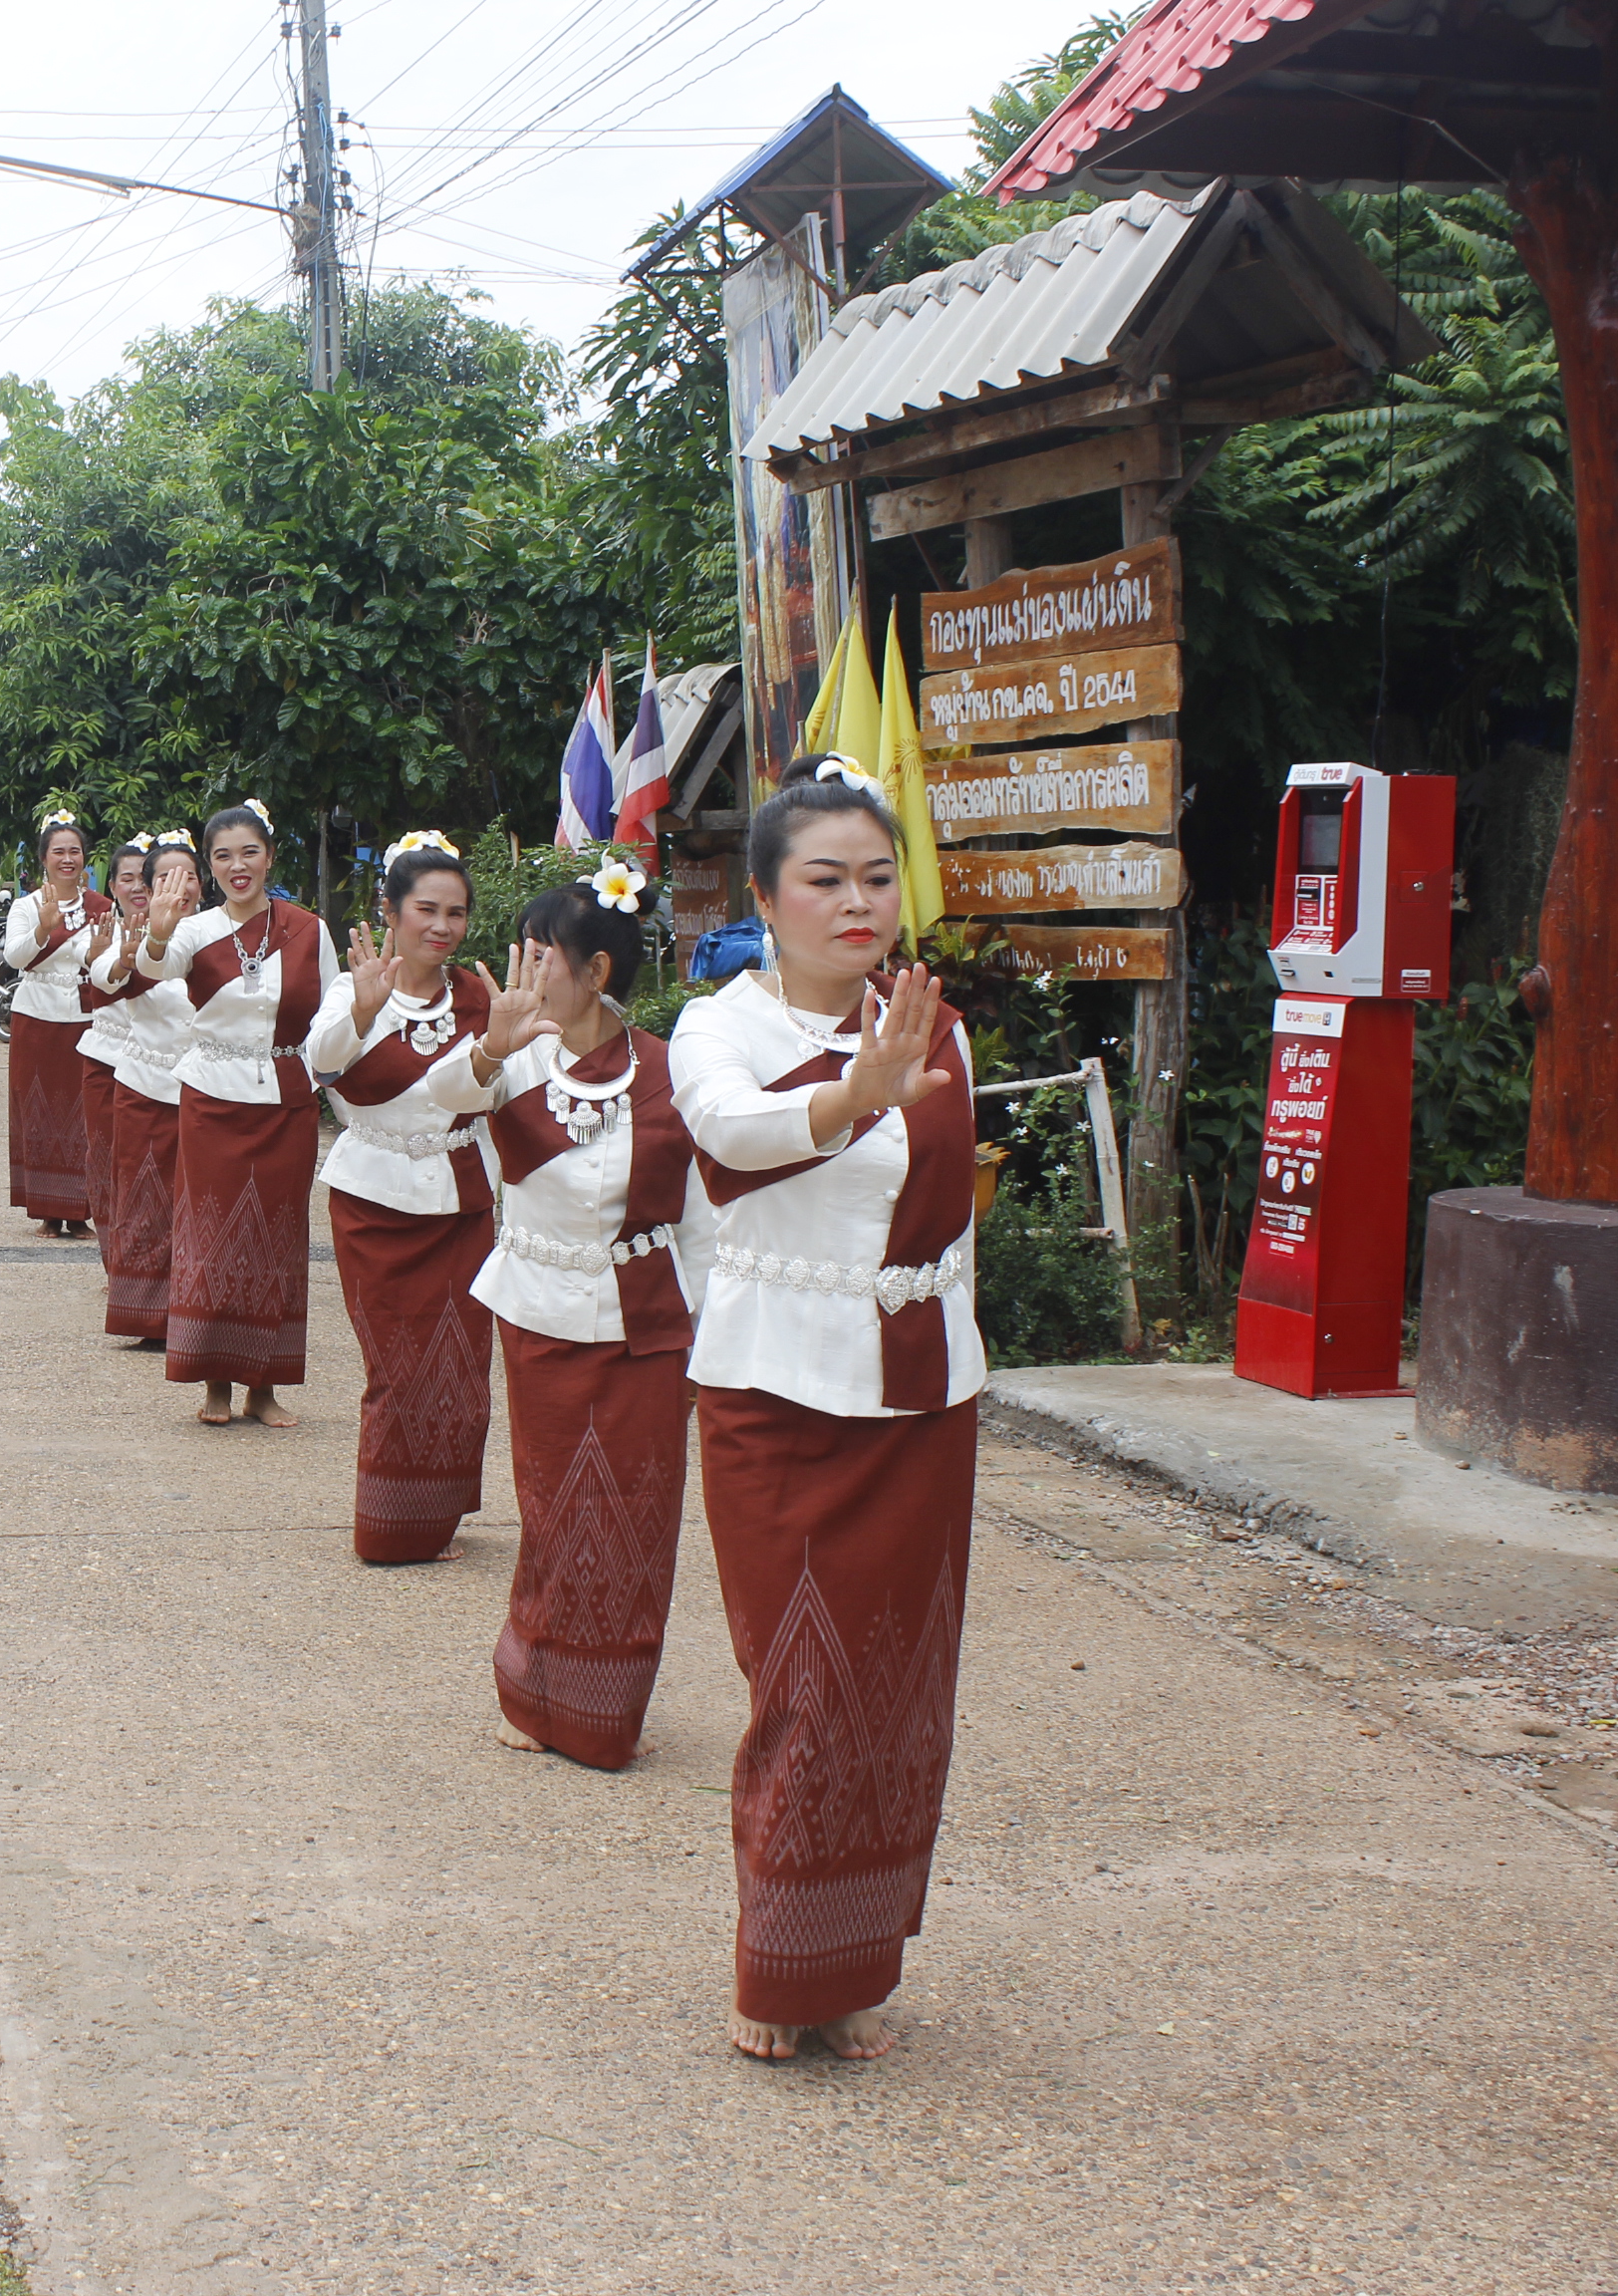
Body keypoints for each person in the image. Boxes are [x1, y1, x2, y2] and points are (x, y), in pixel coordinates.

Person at [669, 754, 985, 2065]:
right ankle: (778, 1962)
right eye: (824, 879)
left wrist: (888, 1075)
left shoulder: (933, 1019)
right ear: (764, 895)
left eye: (877, 876)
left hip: (921, 1396)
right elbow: (732, 1137)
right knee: (798, 1677)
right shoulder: (720, 1027)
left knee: (895, 1693)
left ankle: (851, 1968)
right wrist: (855, 1095)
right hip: (777, 1392)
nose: (857, 903)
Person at [426, 864, 713, 1764]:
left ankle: (605, 1711)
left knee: (635, 1515)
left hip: (649, 1324)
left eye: (543, 952)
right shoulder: (514, 1058)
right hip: (541, 1314)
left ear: (595, 972)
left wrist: (707, 1345)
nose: (527, 966)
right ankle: (536, 1687)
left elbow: (704, 1221)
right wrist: (489, 1049)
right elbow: (446, 1098)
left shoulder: (672, 1071)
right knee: (553, 1509)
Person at [299, 832, 498, 1562]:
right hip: (374, 1199)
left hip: (460, 1197)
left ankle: (439, 1516)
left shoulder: (478, 996)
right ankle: (389, 1525)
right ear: (389, 909)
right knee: (398, 1365)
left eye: (457, 912)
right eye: (427, 909)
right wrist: (360, 1011)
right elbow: (319, 1061)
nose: (443, 926)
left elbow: (500, 1088)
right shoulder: (354, 987)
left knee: (459, 1365)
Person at [118, 799, 338, 1428]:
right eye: (222, 857)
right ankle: (213, 1378)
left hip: (286, 1101)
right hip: (212, 1099)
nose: (237, 867)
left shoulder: (307, 928)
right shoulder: (194, 928)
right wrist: (157, 930)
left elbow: (328, 1018)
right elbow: (154, 968)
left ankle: (264, 1387)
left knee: (278, 1242)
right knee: (211, 1237)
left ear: (270, 856)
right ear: (209, 868)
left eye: (249, 853)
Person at [87, 833, 197, 1347]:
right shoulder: (131, 935)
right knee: (145, 1196)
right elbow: (103, 979)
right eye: (165, 880)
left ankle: (192, 1307)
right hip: (144, 1083)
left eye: (189, 877)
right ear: (148, 890)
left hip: (204, 1091)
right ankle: (145, 1315)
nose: (180, 888)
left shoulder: (218, 936)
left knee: (193, 1203)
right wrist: (128, 955)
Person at [2, 808, 112, 1236]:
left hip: (85, 1019)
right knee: (40, 1112)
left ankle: (81, 1209)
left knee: (83, 1113)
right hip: (37, 1019)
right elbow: (15, 958)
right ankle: (47, 1209)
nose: (68, 859)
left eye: (75, 851)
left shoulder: (102, 908)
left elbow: (101, 956)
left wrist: (95, 951)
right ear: (44, 859)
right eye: (58, 852)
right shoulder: (25, 906)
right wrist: (43, 931)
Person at [75, 837, 154, 1280]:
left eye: (148, 877)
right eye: (127, 878)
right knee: (106, 1164)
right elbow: (101, 986)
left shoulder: (191, 935)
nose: (138, 886)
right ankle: (118, 1264)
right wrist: (95, 956)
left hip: (161, 1071)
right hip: (107, 1061)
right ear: (112, 885)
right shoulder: (100, 934)